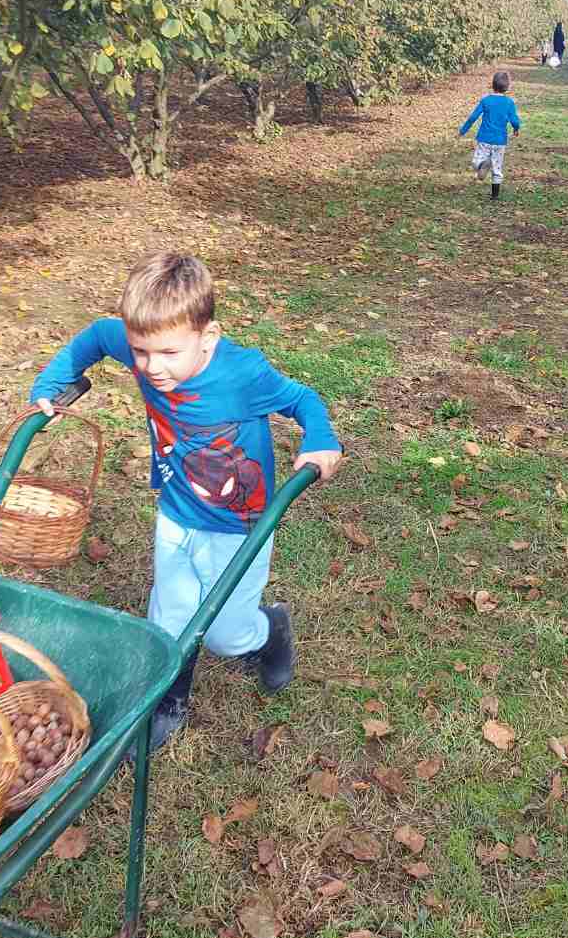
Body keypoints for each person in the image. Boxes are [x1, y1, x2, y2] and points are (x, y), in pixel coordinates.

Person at [30, 252, 343, 749]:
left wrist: (320, 439)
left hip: (240, 525)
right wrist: (50, 385)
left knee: (225, 635)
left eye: (169, 353)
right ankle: (167, 698)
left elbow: (301, 399)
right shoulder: (141, 343)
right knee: (170, 618)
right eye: (140, 352)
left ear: (208, 337)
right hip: (177, 511)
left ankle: (269, 629)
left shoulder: (242, 373)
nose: (153, 368)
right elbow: (95, 337)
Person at [460, 69, 521, 201]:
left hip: (484, 138)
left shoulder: (486, 100)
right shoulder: (509, 103)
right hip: (500, 140)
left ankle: (482, 166)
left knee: (476, 162)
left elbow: (473, 117)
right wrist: (516, 129)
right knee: (497, 167)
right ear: (507, 87)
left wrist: (463, 130)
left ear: (492, 85)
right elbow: (515, 120)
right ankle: (495, 196)